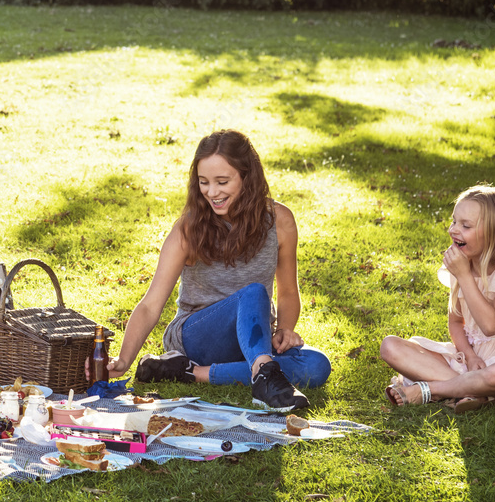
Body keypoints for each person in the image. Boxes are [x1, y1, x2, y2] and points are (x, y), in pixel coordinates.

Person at [107, 130, 331, 412]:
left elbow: (287, 291)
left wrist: (284, 329)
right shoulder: (189, 228)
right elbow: (151, 305)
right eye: (204, 182)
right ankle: (262, 373)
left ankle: (192, 372)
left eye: (222, 182)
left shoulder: (280, 221)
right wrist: (124, 359)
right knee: (253, 293)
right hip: (197, 337)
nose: (212, 192)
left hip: (252, 339)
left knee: (317, 365)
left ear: (247, 177)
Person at [381, 185, 495, 411]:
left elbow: (490, 326)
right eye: (454, 222)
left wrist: (464, 275)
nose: (453, 230)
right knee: (390, 346)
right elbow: (456, 322)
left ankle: (432, 389)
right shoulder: (461, 266)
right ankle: (470, 391)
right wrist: (468, 355)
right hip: (468, 361)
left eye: (465, 225)